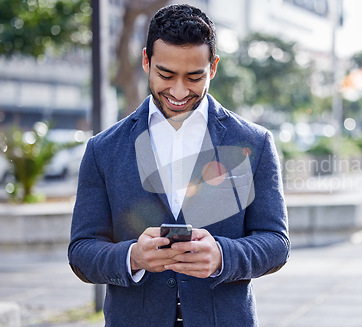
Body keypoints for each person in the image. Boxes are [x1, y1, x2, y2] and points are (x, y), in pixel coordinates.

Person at [68, 4, 290, 327]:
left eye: (194, 77)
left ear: (213, 67)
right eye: (166, 74)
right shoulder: (103, 150)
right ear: (146, 61)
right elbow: (81, 251)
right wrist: (132, 257)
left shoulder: (253, 143)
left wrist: (222, 256)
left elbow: (276, 242)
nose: (178, 91)